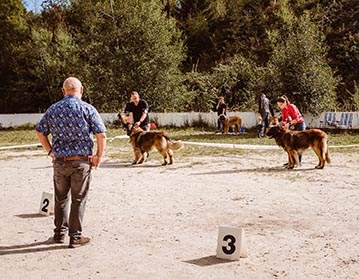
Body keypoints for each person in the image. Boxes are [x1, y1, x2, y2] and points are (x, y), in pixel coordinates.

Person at [35, 77, 107, 248]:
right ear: (81, 90)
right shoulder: (87, 108)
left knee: (60, 199)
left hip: (59, 162)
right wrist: (98, 156)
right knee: (78, 199)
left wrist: (50, 151)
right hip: (81, 162)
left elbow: (40, 132)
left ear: (63, 91)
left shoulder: (53, 109)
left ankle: (59, 233)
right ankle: (75, 236)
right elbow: (101, 134)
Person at [277, 95, 306, 165]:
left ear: (285, 102)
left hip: (299, 124)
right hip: (292, 125)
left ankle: (298, 161)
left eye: (281, 104)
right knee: (291, 144)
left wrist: (289, 124)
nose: (280, 106)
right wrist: (280, 123)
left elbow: (296, 119)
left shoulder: (291, 106)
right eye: (278, 105)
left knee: (298, 144)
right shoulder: (283, 109)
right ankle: (291, 160)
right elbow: (284, 120)